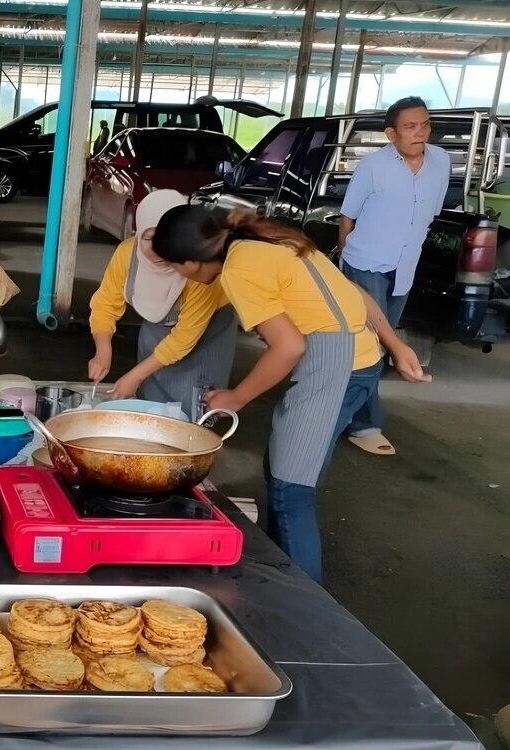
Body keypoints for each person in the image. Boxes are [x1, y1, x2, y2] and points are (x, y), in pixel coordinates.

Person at [151, 205, 431, 583]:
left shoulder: (238, 270)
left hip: (338, 369)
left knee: (291, 490)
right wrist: (395, 345)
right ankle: (279, 573)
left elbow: (288, 347)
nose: (178, 275)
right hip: (360, 360)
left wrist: (235, 398)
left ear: (191, 261)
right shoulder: (270, 239)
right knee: (282, 471)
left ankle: (304, 603)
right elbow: (355, 292)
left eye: (174, 267)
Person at [337, 96, 449, 456]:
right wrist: (345, 264)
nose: (420, 133)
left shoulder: (441, 162)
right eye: (410, 127)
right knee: (373, 344)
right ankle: (363, 425)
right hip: (365, 261)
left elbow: (431, 212)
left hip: (405, 266)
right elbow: (347, 216)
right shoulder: (372, 166)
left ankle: (349, 409)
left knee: (383, 343)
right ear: (391, 133)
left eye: (425, 124)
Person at [87, 190, 237, 420]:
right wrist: (103, 348)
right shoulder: (128, 254)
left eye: (163, 240)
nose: (156, 250)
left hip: (205, 333)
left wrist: (135, 375)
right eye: (148, 238)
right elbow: (105, 303)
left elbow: (184, 338)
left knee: (194, 411)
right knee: (152, 403)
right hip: (156, 330)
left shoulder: (198, 268)